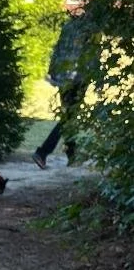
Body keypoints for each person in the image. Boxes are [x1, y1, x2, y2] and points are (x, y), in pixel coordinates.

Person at [32, 9, 93, 169]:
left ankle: (72, 156)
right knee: (68, 119)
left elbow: (57, 48)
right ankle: (43, 152)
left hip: (62, 77)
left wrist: (52, 72)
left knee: (68, 117)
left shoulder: (69, 26)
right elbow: (92, 55)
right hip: (78, 78)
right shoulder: (92, 29)